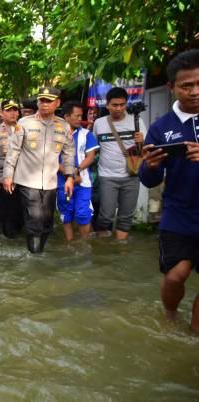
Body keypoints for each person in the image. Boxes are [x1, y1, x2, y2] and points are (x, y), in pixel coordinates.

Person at [139, 49, 199, 332]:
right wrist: (149, 166)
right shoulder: (161, 128)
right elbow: (149, 180)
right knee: (176, 275)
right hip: (178, 213)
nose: (195, 91)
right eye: (187, 86)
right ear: (172, 87)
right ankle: (170, 315)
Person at [3, 87, 75, 253]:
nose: (44, 104)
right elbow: (13, 150)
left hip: (50, 182)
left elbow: (68, 154)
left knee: (47, 222)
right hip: (27, 180)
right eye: (42, 100)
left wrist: (70, 177)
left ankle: (38, 252)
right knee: (34, 219)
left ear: (58, 103)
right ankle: (34, 258)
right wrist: (8, 175)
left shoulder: (63, 126)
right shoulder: (24, 123)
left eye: (49, 101)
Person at [94, 87, 146, 240]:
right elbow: (93, 149)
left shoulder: (137, 122)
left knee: (125, 217)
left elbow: (144, 152)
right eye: (115, 105)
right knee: (106, 215)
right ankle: (102, 246)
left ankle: (119, 250)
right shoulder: (99, 123)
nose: (119, 108)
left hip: (131, 175)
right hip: (106, 176)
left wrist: (141, 142)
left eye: (122, 105)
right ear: (107, 105)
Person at [56, 101, 99, 241]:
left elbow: (91, 157)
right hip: (61, 181)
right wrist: (68, 173)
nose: (80, 119)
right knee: (66, 212)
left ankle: (84, 244)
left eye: (81, 116)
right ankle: (70, 242)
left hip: (83, 181)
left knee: (82, 213)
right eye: (77, 116)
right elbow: (51, 159)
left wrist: (77, 170)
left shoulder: (87, 134)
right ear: (67, 116)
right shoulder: (55, 134)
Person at [0, 99, 24, 238]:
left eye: (15, 110)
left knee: (22, 213)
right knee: (6, 213)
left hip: (23, 179)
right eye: (9, 110)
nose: (13, 113)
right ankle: (9, 238)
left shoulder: (24, 129)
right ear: (2, 113)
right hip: (2, 179)